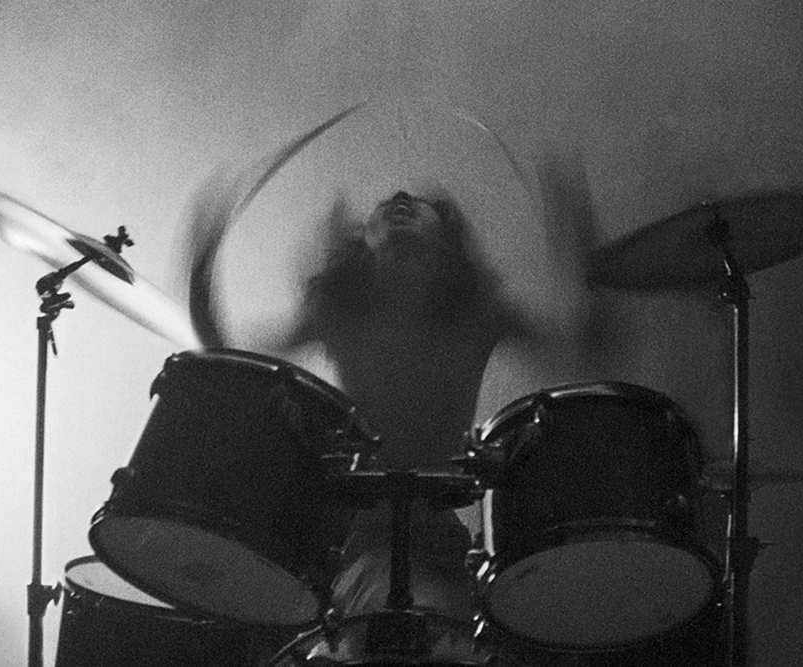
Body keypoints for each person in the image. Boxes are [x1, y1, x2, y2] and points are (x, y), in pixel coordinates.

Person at [184, 141, 603, 664]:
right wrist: (201, 270)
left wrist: (580, 249)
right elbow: (231, 360)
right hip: (357, 534)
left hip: (439, 533)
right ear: (366, 240)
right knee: (403, 629)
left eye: (418, 203)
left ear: (447, 238)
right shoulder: (338, 308)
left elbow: (589, 346)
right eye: (384, 205)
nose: (400, 198)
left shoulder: (479, 310)